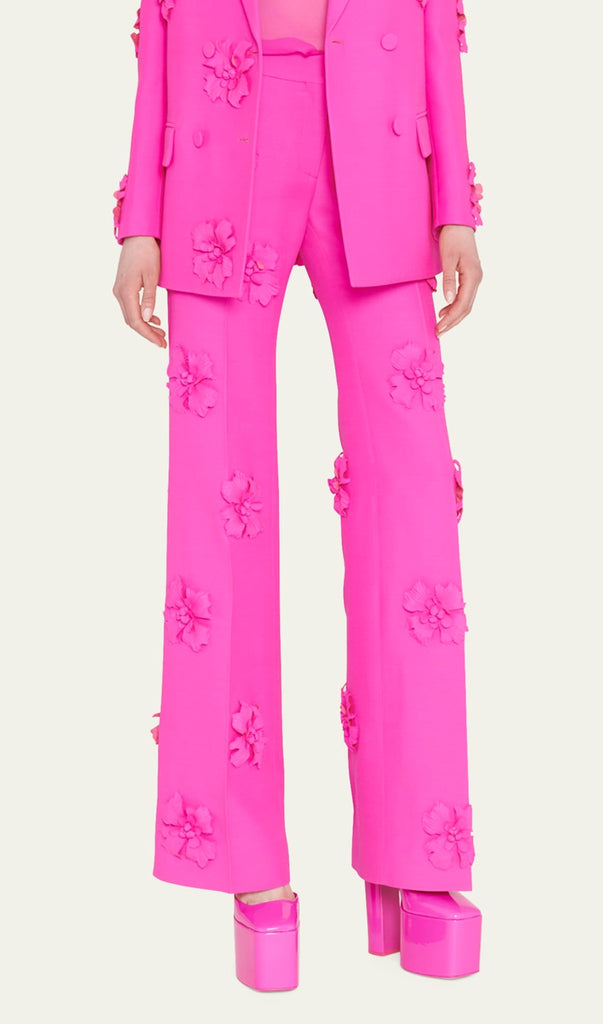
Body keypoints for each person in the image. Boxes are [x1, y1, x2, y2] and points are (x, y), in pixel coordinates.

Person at [112, 0, 484, 991]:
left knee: (412, 510)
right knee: (218, 508)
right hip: (214, 152)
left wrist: (455, 200)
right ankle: (249, 864)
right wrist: (139, 219)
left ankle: (420, 852)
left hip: (383, 144)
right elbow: (159, 22)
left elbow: (435, 15)